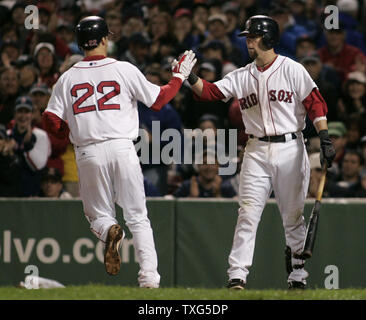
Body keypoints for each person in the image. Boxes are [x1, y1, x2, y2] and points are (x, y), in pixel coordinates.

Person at [42, 16, 196, 288]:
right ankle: (149, 278)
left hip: (88, 151)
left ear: (80, 44)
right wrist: (179, 77)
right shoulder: (124, 68)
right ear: (104, 39)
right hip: (123, 148)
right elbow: (159, 100)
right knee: (138, 216)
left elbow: (51, 121)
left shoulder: (67, 77)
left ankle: (109, 230)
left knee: (98, 216)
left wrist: (72, 132)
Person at [186, 15, 336, 290]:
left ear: (267, 38)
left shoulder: (292, 69)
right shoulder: (243, 75)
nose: (248, 42)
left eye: (253, 37)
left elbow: (315, 103)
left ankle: (297, 277)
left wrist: (324, 136)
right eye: (248, 37)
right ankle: (237, 275)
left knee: (292, 217)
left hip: (291, 147)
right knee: (247, 213)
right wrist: (190, 77)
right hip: (255, 149)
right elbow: (209, 93)